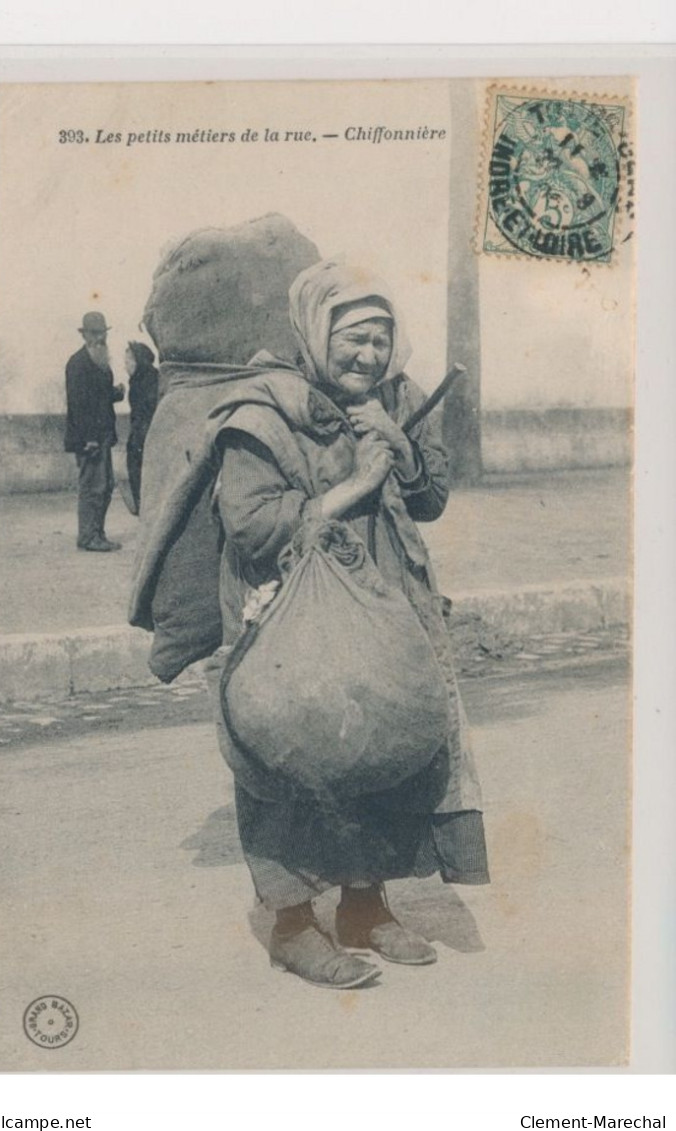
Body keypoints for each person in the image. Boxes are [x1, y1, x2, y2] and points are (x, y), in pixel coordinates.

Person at [207, 259, 489, 989]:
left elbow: (428, 500)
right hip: (288, 607)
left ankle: (367, 903)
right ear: (314, 328)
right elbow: (252, 528)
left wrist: (396, 446)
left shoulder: (395, 398)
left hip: (385, 598)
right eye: (353, 338)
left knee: (384, 741)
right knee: (288, 753)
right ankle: (293, 922)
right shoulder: (264, 412)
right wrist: (358, 482)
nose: (368, 356)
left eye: (380, 339)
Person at [64, 311, 125, 551]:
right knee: (92, 487)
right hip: (89, 439)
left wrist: (116, 393)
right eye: (95, 334)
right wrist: (86, 439)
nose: (100, 338)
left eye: (103, 333)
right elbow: (77, 405)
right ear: (85, 335)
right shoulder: (77, 363)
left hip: (102, 436)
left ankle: (97, 533)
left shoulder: (101, 362)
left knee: (105, 485)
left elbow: (99, 396)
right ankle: (88, 537)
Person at [125, 341, 160, 515]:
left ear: (138, 360)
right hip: (141, 434)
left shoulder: (148, 379)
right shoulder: (141, 378)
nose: (125, 365)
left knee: (143, 478)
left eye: (128, 360)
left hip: (145, 436)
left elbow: (149, 408)